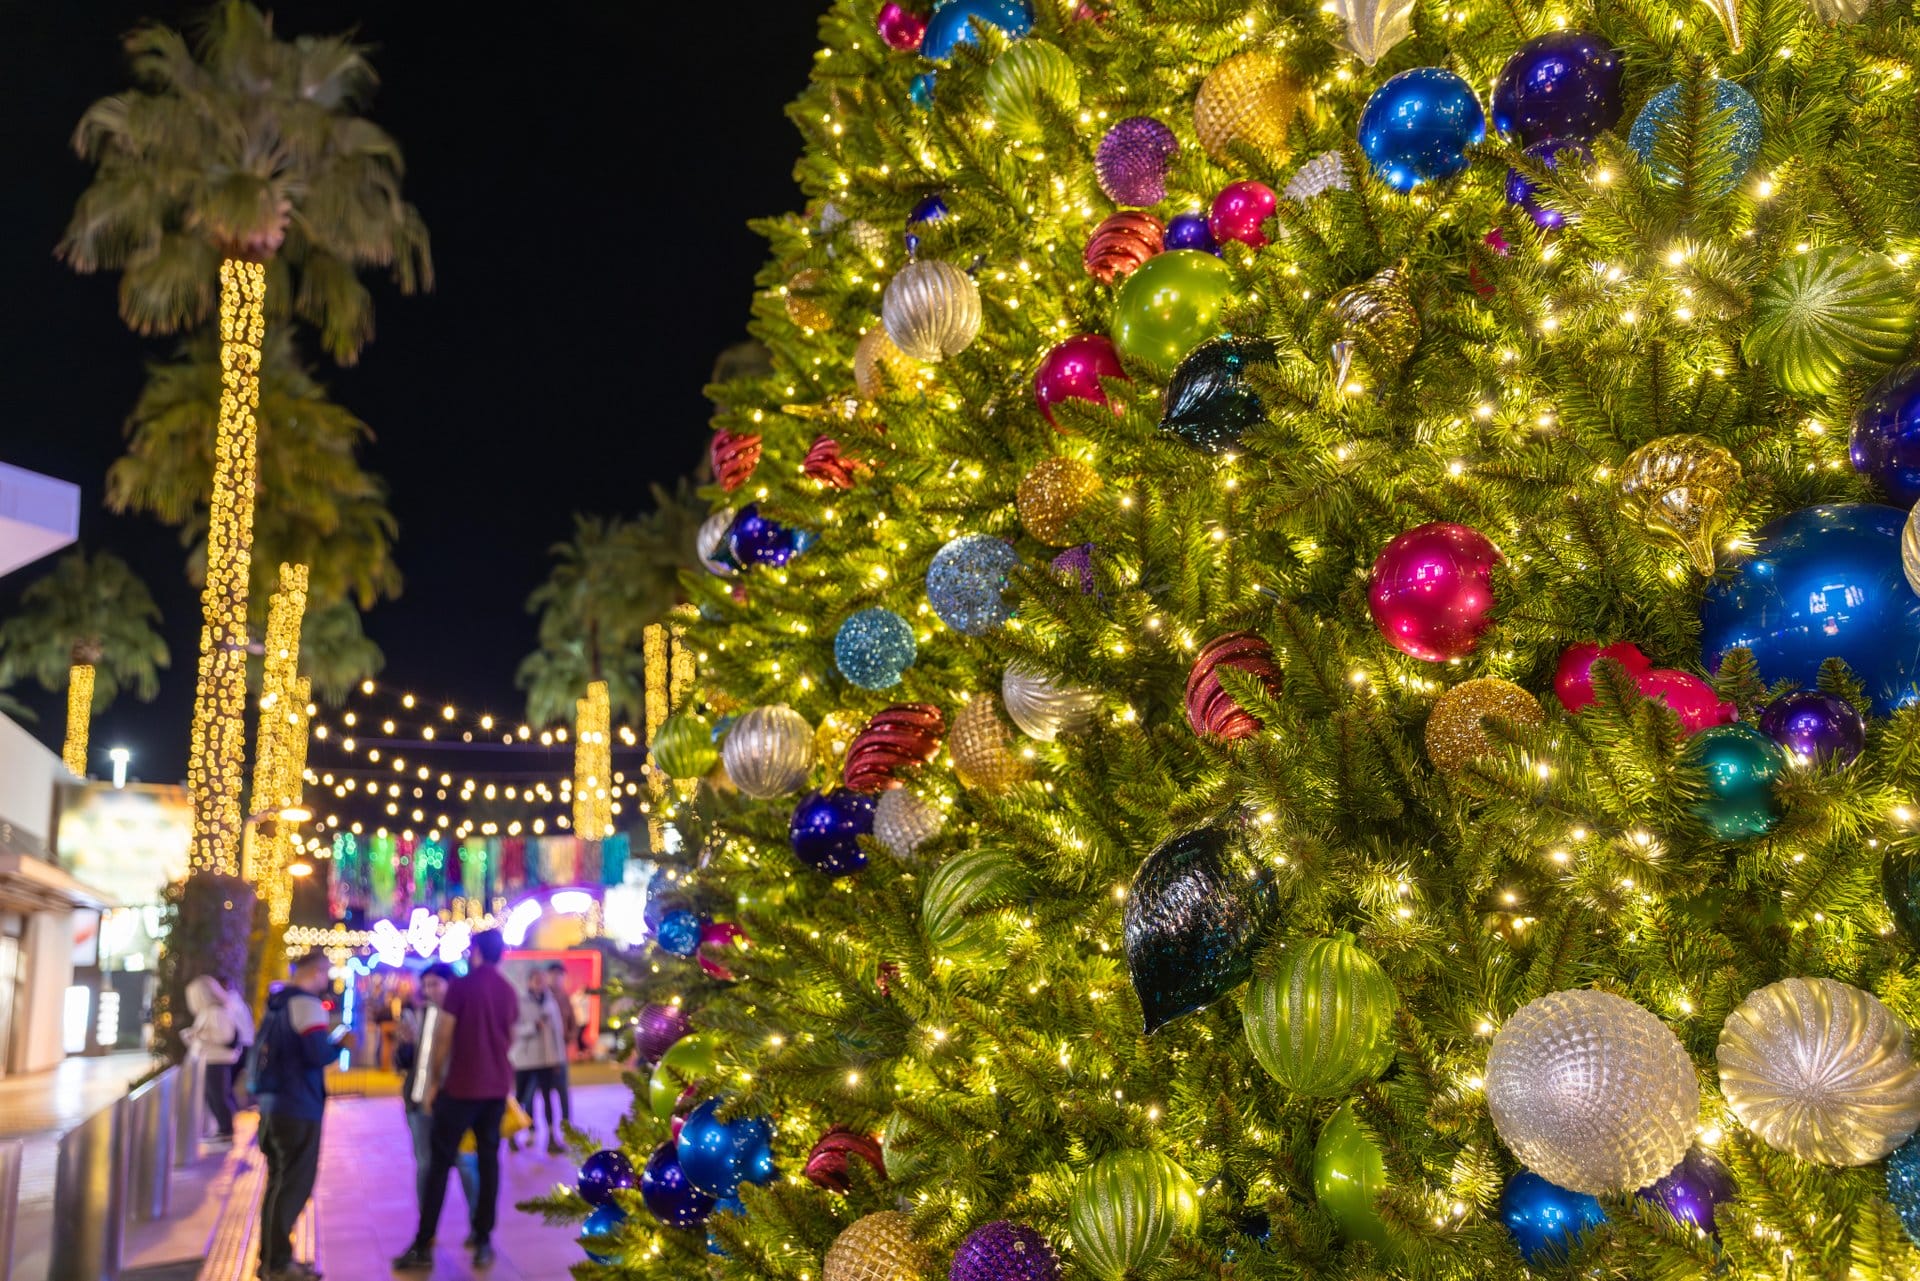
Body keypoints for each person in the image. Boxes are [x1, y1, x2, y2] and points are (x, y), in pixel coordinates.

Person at [392, 928, 519, 1273]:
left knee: (437, 1167)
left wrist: (433, 1082)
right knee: (489, 1163)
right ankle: (483, 1241)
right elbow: (510, 1035)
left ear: (476, 951)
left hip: (461, 1090)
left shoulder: (463, 987)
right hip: (495, 1090)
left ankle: (423, 1244)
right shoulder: (508, 991)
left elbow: (444, 1036)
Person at [250, 951, 354, 1281]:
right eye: (325, 973)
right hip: (298, 1107)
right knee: (295, 1184)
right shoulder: (307, 1004)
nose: (327, 980)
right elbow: (316, 1054)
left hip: (272, 1107)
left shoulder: (276, 1003)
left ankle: (271, 1260)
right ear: (316, 971)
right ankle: (279, 1265)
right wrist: (340, 1043)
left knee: (278, 1183)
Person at [396, 964, 479, 1233]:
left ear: (450, 984)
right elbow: (405, 1063)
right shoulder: (418, 1015)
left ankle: (478, 1228)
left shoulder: (465, 1015)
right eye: (427, 984)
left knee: (465, 1163)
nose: (431, 990)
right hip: (419, 1103)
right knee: (426, 1164)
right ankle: (426, 1229)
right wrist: (406, 1046)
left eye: (436, 983)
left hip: (456, 1104)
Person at [508, 966, 568, 1156]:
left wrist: (559, 1059)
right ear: (529, 982)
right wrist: (533, 1027)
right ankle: (512, 1135)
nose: (541, 983)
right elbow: (513, 1029)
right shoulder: (520, 1002)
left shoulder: (550, 1002)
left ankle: (552, 1137)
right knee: (521, 1099)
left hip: (546, 1060)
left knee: (549, 1099)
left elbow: (557, 1032)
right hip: (524, 1060)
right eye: (537, 980)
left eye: (543, 979)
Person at [182, 975, 242, 1143]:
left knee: (218, 1096)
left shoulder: (216, 1011)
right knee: (215, 1095)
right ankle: (223, 1130)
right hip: (211, 1059)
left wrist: (200, 1035)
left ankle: (226, 1130)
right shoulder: (214, 1010)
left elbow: (224, 1036)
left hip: (216, 1060)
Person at [545, 962, 579, 1125]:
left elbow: (574, 1023)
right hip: (542, 1055)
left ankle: (567, 1126)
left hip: (560, 1053)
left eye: (560, 975)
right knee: (537, 1094)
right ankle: (531, 1128)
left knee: (562, 1091)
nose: (557, 978)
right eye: (553, 974)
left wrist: (569, 1036)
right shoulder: (543, 997)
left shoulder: (565, 998)